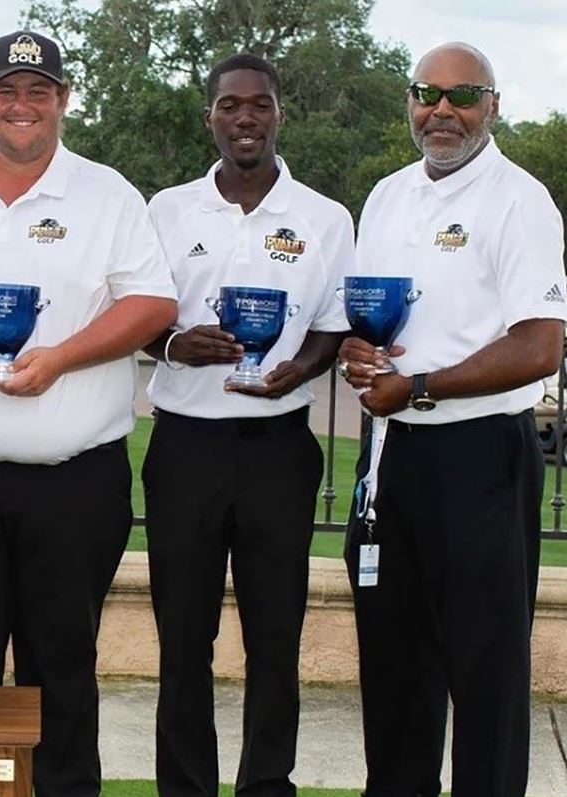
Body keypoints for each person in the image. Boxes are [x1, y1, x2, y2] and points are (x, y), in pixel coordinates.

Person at [0, 31, 177, 797]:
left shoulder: (108, 194)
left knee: (63, 666)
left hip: (73, 483)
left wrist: (60, 357)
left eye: (39, 90)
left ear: (62, 100)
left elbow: (154, 304)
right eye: (6, 90)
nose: (21, 105)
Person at [339, 42, 565, 797]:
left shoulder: (519, 199)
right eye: (426, 93)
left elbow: (540, 345)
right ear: (408, 103)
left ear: (493, 108)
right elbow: (371, 317)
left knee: (487, 673)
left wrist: (423, 383)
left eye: (463, 95)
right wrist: (360, 353)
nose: (442, 110)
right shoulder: (387, 196)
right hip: (392, 455)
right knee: (396, 667)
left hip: (480, 457)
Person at [140, 54, 352, 797]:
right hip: (185, 444)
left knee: (274, 637)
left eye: (259, 105)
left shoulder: (326, 217)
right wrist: (173, 343)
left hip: (278, 449)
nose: (245, 119)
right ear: (211, 118)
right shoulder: (165, 211)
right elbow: (139, 318)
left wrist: (304, 366)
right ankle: (185, 787)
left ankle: (268, 784)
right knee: (183, 640)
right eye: (230, 106)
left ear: (278, 114)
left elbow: (332, 327)